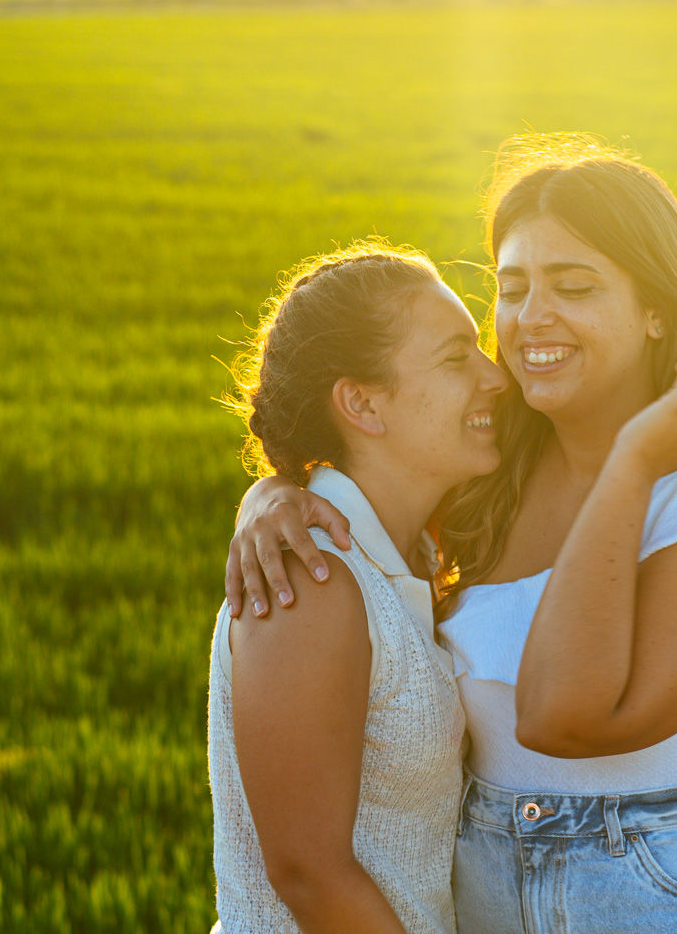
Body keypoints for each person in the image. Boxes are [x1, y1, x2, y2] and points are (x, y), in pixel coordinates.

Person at [226, 136, 677, 932]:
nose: (531, 318)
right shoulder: (489, 483)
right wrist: (276, 497)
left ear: (656, 307)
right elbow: (367, 475)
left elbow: (563, 718)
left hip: (676, 908)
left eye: (575, 286)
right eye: (513, 287)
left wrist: (633, 460)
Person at [207, 241, 507, 934]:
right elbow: (308, 875)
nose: (495, 377)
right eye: (457, 358)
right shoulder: (311, 583)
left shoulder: (420, 550)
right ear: (362, 404)